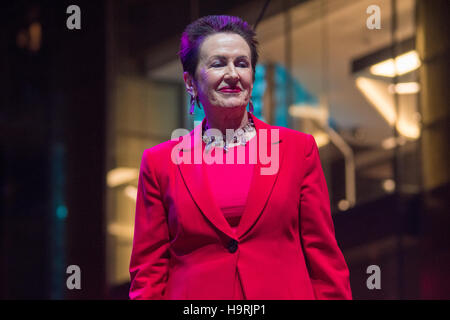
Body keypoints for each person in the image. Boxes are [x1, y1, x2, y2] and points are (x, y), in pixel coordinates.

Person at [129, 15, 352, 300]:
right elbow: (148, 273)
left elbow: (324, 259)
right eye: (218, 63)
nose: (233, 73)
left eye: (242, 63)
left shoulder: (298, 150)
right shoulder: (160, 163)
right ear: (190, 81)